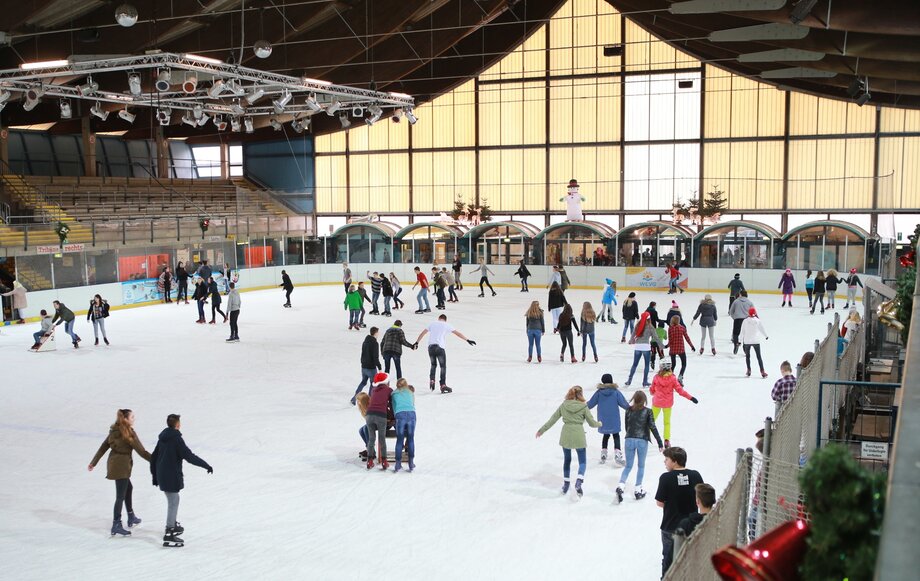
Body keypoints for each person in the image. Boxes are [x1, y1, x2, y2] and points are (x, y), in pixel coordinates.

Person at [150, 414, 213, 548]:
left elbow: (154, 457)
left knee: (174, 500)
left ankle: (172, 525)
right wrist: (206, 465)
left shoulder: (162, 437)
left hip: (162, 474)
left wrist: (155, 476)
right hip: (171, 475)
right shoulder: (176, 439)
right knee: (173, 501)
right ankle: (169, 532)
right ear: (178, 425)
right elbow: (189, 456)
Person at [88, 409, 152, 536]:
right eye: (132, 417)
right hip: (122, 466)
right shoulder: (128, 433)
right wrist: (156, 461)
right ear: (126, 419)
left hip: (113, 463)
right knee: (120, 496)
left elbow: (103, 446)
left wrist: (93, 462)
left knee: (129, 488)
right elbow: (142, 452)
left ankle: (131, 515)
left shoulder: (114, 430)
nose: (134, 419)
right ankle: (116, 524)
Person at [535, 386, 601, 497]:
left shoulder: (564, 405)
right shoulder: (584, 407)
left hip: (566, 435)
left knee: (567, 460)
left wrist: (541, 430)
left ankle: (566, 484)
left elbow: (552, 419)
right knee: (582, 461)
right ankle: (579, 481)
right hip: (579, 435)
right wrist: (600, 423)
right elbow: (592, 423)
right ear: (580, 394)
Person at [655, 447, 704, 578]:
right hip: (692, 525)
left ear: (675, 461)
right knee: (689, 557)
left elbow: (659, 502)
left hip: (670, 526)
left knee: (668, 560)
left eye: (666, 459)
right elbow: (702, 498)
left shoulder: (665, 478)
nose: (665, 462)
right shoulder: (695, 475)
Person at [615, 390, 664, 503]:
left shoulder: (628, 410)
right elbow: (653, 427)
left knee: (628, 466)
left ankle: (621, 486)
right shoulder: (648, 411)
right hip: (642, 440)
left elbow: (627, 426)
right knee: (641, 466)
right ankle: (638, 490)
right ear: (644, 400)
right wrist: (660, 442)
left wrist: (630, 435)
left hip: (629, 439)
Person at [413, 314, 476, 394]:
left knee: (433, 365)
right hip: (440, 348)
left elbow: (423, 333)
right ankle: (442, 385)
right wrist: (467, 340)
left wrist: (417, 342)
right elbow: (458, 333)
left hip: (431, 348)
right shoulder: (447, 325)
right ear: (445, 320)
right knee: (443, 366)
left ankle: (432, 379)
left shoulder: (432, 323)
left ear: (439, 318)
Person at [649, 361, 698, 448]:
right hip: (668, 404)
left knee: (651, 421)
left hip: (657, 402)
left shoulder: (656, 377)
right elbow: (680, 391)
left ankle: (644, 436)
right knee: (667, 423)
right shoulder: (673, 378)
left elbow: (652, 390)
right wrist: (691, 398)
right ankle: (667, 440)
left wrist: (653, 392)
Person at [587, 373, 629, 465]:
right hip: (614, 418)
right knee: (616, 435)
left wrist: (580, 406)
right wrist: (631, 408)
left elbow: (590, 404)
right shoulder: (615, 392)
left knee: (606, 435)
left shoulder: (599, 392)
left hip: (603, 419)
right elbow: (623, 403)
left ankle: (603, 454)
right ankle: (618, 454)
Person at [625, 311, 664, 388]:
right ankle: (644, 381)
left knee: (634, 364)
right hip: (646, 347)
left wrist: (631, 341)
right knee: (646, 365)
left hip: (638, 347)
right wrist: (661, 345)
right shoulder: (650, 327)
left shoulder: (638, 325)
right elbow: (656, 337)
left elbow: (633, 334)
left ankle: (629, 380)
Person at [364, 373, 393, 470]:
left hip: (369, 415)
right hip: (381, 416)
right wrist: (392, 417)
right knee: (381, 439)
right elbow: (392, 405)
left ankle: (370, 461)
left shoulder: (373, 390)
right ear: (386, 382)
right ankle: (384, 461)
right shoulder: (389, 390)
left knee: (371, 438)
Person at [351, 327, 382, 405]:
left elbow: (363, 353)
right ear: (375, 333)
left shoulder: (365, 341)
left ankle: (354, 399)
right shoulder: (375, 343)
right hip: (371, 368)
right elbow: (375, 356)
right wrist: (379, 366)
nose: (378, 334)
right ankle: (369, 401)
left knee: (363, 382)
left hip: (364, 366)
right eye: (378, 332)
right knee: (373, 384)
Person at [391, 378, 417, 472]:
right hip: (411, 414)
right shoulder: (410, 392)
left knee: (399, 439)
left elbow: (394, 407)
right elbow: (412, 404)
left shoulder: (394, 394)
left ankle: (398, 464)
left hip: (400, 415)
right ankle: (411, 462)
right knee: (410, 439)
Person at [741, 307, 769, 378]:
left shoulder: (745, 321)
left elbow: (742, 331)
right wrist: (766, 336)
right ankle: (762, 371)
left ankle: (749, 370)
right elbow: (762, 329)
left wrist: (740, 340)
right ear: (755, 313)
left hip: (747, 341)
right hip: (756, 341)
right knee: (759, 357)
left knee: (747, 356)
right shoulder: (758, 320)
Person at [667, 315, 695, 382]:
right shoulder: (682, 328)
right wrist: (692, 346)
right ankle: (680, 375)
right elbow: (687, 338)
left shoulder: (670, 329)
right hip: (681, 349)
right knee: (684, 364)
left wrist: (667, 346)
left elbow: (670, 340)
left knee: (673, 364)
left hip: (673, 349)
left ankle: (669, 377)